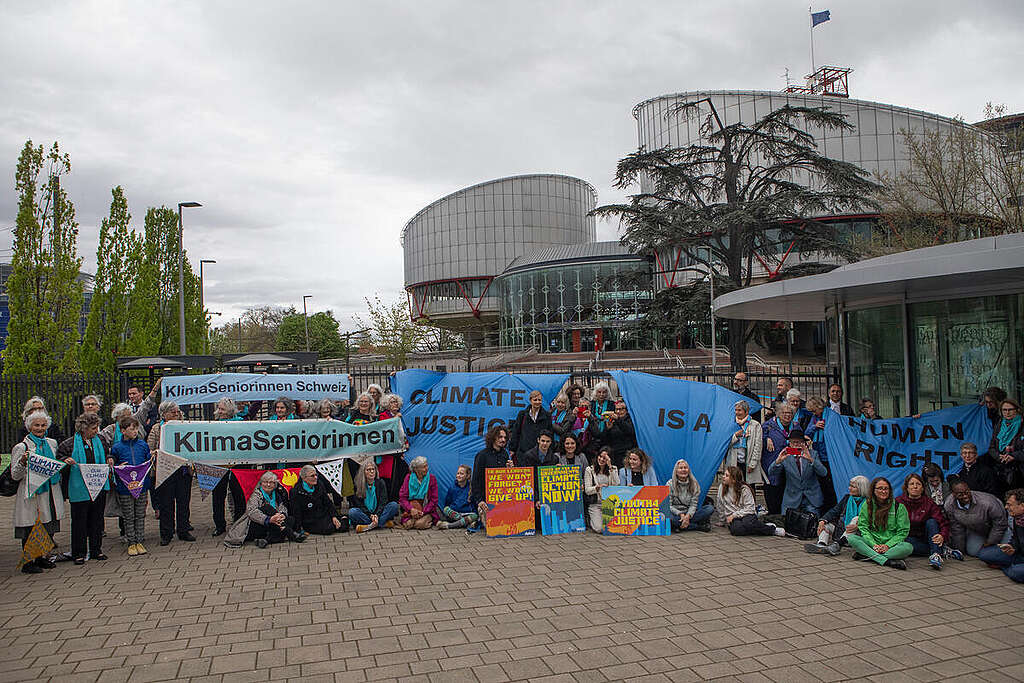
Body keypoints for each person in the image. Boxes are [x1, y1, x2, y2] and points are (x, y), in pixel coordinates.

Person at [11, 410, 64, 574]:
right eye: (36, 425)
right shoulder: (21, 447)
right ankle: (28, 561)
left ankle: (41, 557)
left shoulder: (52, 443)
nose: (40, 428)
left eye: (43, 425)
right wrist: (22, 462)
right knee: (30, 526)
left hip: (49, 490)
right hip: (31, 492)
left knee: (46, 524)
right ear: (29, 427)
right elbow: (15, 475)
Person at [57, 413, 111, 565]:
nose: (96, 431)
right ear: (83, 428)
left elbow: (108, 452)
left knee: (97, 520)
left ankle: (96, 549)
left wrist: (110, 459)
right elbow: (59, 460)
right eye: (93, 428)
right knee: (79, 521)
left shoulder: (100, 440)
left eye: (97, 427)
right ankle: (78, 552)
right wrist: (65, 461)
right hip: (79, 487)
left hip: (98, 485)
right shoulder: (69, 444)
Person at [148, 400, 195, 546]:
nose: (176, 414)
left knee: (183, 502)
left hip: (183, 470)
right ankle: (166, 533)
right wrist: (154, 453)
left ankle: (183, 530)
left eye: (177, 411)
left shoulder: (186, 426)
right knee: (166, 503)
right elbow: (149, 449)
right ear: (164, 414)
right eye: (173, 412)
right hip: (165, 471)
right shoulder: (157, 429)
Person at [223, 472, 306, 548]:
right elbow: (252, 512)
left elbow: (282, 507)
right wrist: (269, 519)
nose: (268, 484)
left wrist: (282, 515)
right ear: (261, 483)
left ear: (275, 484)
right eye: (265, 482)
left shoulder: (277, 494)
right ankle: (290, 533)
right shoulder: (256, 494)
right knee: (267, 508)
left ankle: (266, 540)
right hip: (256, 524)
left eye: (271, 482)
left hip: (273, 525)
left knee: (291, 519)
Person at [846, 477, 913, 570]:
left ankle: (868, 555)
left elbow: (903, 531)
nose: (883, 491)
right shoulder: (868, 505)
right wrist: (874, 545)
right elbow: (863, 527)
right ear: (873, 490)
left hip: (891, 545)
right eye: (880, 488)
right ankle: (886, 561)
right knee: (852, 539)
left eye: (886, 488)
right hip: (872, 543)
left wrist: (887, 545)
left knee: (908, 547)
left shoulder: (899, 507)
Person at [110, 415, 152, 557]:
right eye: (132, 429)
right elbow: (112, 465)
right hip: (125, 487)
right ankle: (131, 542)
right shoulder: (117, 447)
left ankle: (140, 540)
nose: (135, 432)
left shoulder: (143, 445)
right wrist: (117, 466)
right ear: (123, 431)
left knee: (140, 514)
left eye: (136, 429)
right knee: (129, 515)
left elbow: (148, 462)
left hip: (142, 485)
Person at [895, 472, 953, 570]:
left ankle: (936, 556)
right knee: (902, 544)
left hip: (925, 537)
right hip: (907, 538)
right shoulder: (898, 502)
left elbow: (943, 523)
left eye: (918, 484)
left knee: (932, 522)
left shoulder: (929, 503)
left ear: (922, 488)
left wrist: (942, 535)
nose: (915, 487)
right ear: (906, 487)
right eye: (912, 484)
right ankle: (941, 550)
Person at [805, 475, 869, 556]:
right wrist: (822, 520)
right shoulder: (847, 498)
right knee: (826, 525)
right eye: (850, 485)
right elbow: (834, 511)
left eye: (853, 487)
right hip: (842, 529)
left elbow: (870, 521)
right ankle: (822, 544)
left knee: (856, 519)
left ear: (861, 488)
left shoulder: (869, 502)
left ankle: (838, 545)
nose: (849, 488)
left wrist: (858, 526)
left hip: (859, 533)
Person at [210, 397, 247, 537]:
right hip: (219, 464)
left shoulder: (241, 423)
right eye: (219, 408)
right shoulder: (213, 425)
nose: (220, 411)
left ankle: (239, 522)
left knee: (238, 495)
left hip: (238, 465)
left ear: (230, 410)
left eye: (223, 409)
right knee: (218, 496)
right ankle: (219, 525)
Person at [769, 428, 827, 516]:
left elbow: (823, 473)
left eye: (799, 442)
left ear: (804, 443)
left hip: (811, 498)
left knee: (813, 524)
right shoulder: (785, 455)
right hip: (792, 498)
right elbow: (771, 472)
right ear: (790, 444)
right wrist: (778, 461)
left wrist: (811, 460)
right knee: (789, 525)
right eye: (794, 442)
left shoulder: (813, 454)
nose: (797, 445)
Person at [943, 480, 1008, 557]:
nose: (965, 496)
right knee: (973, 552)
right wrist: (959, 550)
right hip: (978, 530)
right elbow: (956, 528)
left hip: (1002, 528)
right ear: (953, 494)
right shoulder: (949, 505)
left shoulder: (987, 502)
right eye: (960, 495)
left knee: (1005, 550)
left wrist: (989, 542)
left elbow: (1000, 524)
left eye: (967, 492)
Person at [716, 466, 786, 537]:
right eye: (724, 474)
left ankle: (772, 530)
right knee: (736, 530)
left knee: (748, 523)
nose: (723, 477)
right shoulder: (721, 488)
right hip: (733, 518)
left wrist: (734, 515)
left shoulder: (744, 489)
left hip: (746, 514)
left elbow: (750, 508)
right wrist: (722, 520)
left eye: (726, 475)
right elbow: (720, 505)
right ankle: (759, 526)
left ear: (733, 479)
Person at [977, 488, 1024, 583]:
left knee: (1015, 572)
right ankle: (1013, 566)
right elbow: (1015, 538)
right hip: (1019, 554)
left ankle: (1009, 567)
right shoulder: (1017, 518)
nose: (1006, 507)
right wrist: (1012, 547)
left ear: (1022, 506)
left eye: (1009, 505)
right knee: (984, 554)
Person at [471, 425, 512, 528]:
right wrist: (479, 500)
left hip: (502, 499)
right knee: (493, 526)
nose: (503, 440)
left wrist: (510, 470)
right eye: (500, 437)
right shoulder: (482, 455)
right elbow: (475, 480)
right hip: (485, 500)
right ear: (493, 438)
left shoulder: (505, 455)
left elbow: (508, 481)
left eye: (505, 438)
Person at [761, 402, 796, 514]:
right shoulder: (768, 426)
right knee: (772, 488)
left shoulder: (796, 426)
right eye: (784, 413)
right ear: (779, 414)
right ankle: (773, 514)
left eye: (790, 413)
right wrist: (766, 439)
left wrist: (788, 451)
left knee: (786, 489)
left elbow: (799, 448)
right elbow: (759, 439)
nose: (787, 415)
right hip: (771, 463)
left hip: (789, 465)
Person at [804, 397, 837, 511]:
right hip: (819, 453)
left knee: (830, 483)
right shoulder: (815, 418)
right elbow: (807, 433)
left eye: (814, 410)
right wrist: (815, 426)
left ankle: (832, 506)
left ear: (820, 407)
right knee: (821, 483)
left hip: (830, 455)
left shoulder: (831, 416)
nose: (813, 413)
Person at [289, 465, 343, 535]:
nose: (315, 478)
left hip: (323, 515)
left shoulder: (319, 485)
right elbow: (296, 511)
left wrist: (334, 516)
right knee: (328, 529)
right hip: (309, 520)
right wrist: (298, 528)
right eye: (312, 476)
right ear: (304, 478)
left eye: (316, 475)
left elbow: (327, 502)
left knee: (342, 525)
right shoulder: (295, 491)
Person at [348, 461, 399, 533]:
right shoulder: (358, 485)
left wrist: (377, 515)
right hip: (366, 514)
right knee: (352, 512)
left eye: (373, 469)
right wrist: (370, 515)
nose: (371, 471)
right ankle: (381, 523)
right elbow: (359, 505)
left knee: (394, 505)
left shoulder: (381, 482)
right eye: (368, 470)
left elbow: (383, 502)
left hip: (379, 513)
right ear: (363, 472)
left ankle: (369, 526)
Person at [986, 399, 1024, 494]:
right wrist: (999, 457)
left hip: (1019, 471)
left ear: (1017, 410)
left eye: (1010, 409)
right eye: (1004, 410)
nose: (1007, 412)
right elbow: (991, 447)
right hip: (1000, 469)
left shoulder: (1022, 425)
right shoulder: (999, 425)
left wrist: (1014, 456)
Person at [725, 400, 762, 490]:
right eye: (736, 410)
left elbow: (758, 446)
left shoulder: (755, 425)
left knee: (749, 488)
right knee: (733, 488)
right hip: (734, 462)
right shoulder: (730, 424)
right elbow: (724, 444)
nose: (737, 413)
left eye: (740, 410)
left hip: (748, 462)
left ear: (747, 411)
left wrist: (753, 464)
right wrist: (736, 436)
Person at [667, 459, 712, 532]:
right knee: (670, 519)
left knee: (709, 509)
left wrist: (688, 516)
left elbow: (693, 504)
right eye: (681, 468)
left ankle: (680, 526)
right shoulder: (670, 484)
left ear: (689, 470)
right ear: (676, 471)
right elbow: (669, 505)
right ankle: (697, 526)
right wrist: (680, 514)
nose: (683, 470)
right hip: (675, 514)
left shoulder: (694, 484)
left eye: (685, 468)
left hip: (690, 513)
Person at [508, 390, 553, 462]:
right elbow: (516, 432)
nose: (537, 402)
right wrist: (512, 449)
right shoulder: (522, 414)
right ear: (530, 400)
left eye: (539, 400)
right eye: (535, 400)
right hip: (523, 451)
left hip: (540, 453)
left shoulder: (547, 416)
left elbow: (550, 434)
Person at [584, 447, 619, 532]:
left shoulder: (613, 468)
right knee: (599, 529)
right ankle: (591, 519)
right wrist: (597, 487)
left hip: (609, 504)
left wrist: (610, 467)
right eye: (600, 456)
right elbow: (587, 490)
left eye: (605, 458)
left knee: (614, 527)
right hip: (596, 503)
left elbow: (617, 484)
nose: (602, 459)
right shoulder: (589, 470)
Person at [398, 456, 439, 530]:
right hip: (411, 509)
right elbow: (402, 497)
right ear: (416, 469)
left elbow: (434, 499)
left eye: (427, 465)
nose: (426, 468)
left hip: (426, 510)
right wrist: (411, 509)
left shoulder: (432, 479)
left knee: (419, 525)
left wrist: (424, 511)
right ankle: (416, 520)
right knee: (408, 525)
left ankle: (426, 521)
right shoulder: (408, 478)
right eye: (423, 467)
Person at [436, 465, 478, 530]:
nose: (459, 475)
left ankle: (449, 525)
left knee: (475, 516)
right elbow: (448, 502)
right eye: (458, 473)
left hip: (467, 513)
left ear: (467, 476)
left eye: (461, 474)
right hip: (455, 514)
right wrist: (453, 513)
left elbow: (475, 504)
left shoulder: (471, 488)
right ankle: (463, 522)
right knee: (446, 509)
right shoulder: (452, 487)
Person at [602, 400, 637, 469]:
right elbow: (604, 439)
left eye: (621, 409)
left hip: (626, 453)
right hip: (614, 454)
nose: (618, 412)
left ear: (626, 410)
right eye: (616, 409)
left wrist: (618, 420)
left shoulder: (630, 419)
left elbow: (630, 431)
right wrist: (608, 429)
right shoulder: (612, 421)